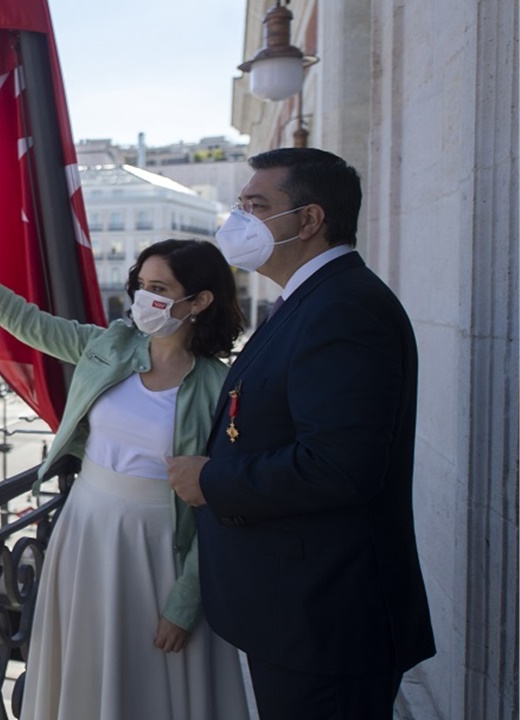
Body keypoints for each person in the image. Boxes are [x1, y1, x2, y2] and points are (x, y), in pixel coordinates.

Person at [0, 233, 250, 719]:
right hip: (87, 529)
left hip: (161, 546)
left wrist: (186, 603)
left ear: (201, 301)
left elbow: (219, 508)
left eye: (161, 289)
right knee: (87, 667)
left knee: (157, 676)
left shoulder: (220, 386)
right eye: (141, 284)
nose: (144, 298)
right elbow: (27, 321)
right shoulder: (110, 345)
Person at [166, 148, 435, 719]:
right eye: (239, 205)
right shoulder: (311, 300)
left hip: (324, 618)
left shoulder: (342, 309)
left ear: (310, 220)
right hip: (300, 611)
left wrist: (212, 478)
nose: (237, 222)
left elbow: (339, 465)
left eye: (256, 206)